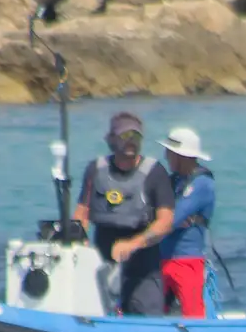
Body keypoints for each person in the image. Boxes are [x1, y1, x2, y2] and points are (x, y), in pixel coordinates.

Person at [72, 112, 175, 315]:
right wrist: (78, 244)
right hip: (103, 263)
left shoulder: (155, 172)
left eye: (135, 137)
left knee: (146, 316)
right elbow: (82, 214)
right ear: (111, 139)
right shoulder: (95, 169)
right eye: (125, 136)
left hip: (143, 266)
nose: (131, 142)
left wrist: (133, 244)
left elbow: (166, 221)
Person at [157, 126, 217, 319]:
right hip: (162, 259)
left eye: (170, 152)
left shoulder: (202, 184)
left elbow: (173, 219)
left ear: (182, 156)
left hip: (187, 261)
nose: (166, 156)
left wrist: (160, 219)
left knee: (193, 314)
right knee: (151, 310)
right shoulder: (172, 181)